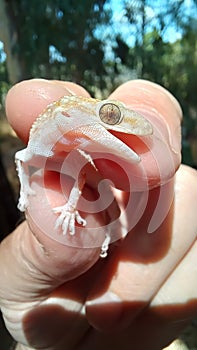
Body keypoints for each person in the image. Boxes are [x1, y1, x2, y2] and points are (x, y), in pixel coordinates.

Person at [0, 79, 196, 350]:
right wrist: (26, 193)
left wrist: (73, 207)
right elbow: (23, 158)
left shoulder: (78, 155)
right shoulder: (41, 142)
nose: (110, 122)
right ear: (67, 115)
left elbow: (86, 172)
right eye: (110, 115)